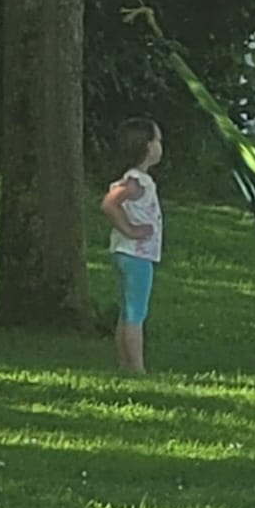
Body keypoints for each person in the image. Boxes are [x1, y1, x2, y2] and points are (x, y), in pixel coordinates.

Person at [100, 117, 164, 375]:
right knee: (136, 312)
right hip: (137, 255)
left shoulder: (136, 179)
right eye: (157, 140)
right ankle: (136, 367)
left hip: (127, 253)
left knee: (128, 310)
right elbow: (109, 204)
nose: (161, 146)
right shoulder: (138, 181)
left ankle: (125, 364)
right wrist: (129, 229)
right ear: (147, 146)